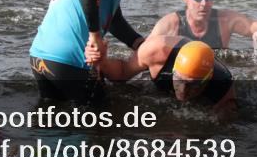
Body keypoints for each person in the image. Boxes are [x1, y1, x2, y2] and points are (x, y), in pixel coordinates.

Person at [99, 37, 235, 115]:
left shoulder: (222, 85)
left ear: (207, 80)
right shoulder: (156, 52)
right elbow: (122, 72)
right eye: (179, 80)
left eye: (192, 84)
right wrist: (102, 62)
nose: (182, 90)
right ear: (173, 69)